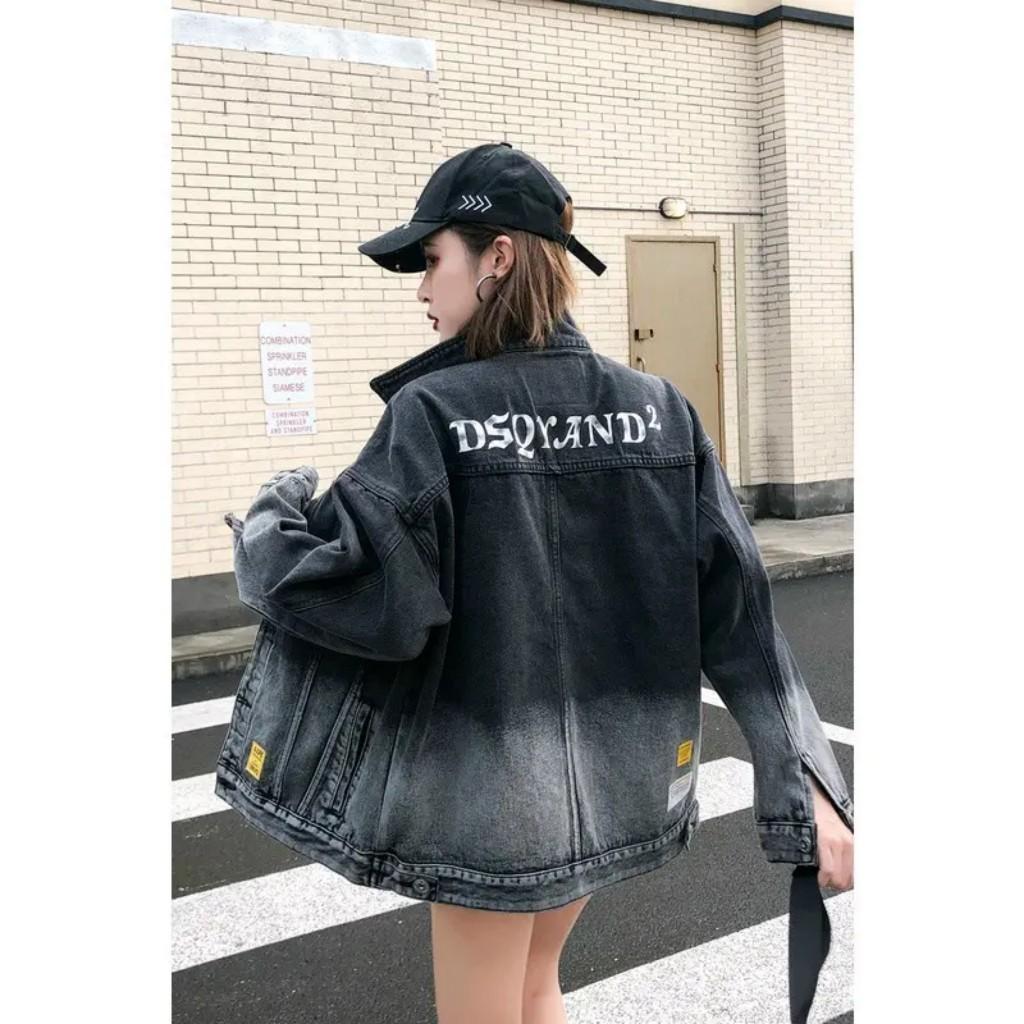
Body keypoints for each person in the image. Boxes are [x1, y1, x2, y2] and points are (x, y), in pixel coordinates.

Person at [221, 142, 853, 1024]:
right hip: (622, 775)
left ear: (499, 256)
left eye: (430, 259)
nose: (420, 288)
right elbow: (738, 612)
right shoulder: (661, 410)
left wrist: (271, 516)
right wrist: (809, 781)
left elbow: (365, 602)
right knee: (534, 984)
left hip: (486, 790)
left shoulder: (433, 414)